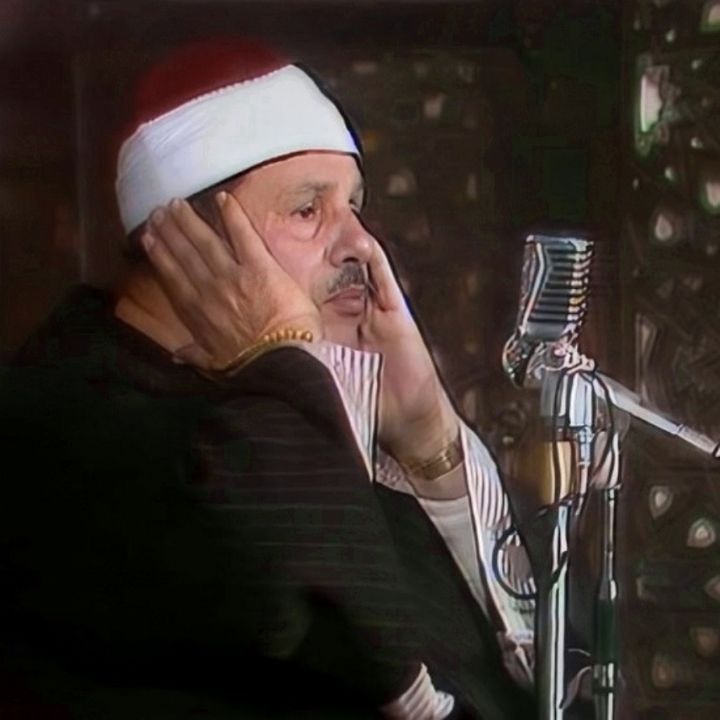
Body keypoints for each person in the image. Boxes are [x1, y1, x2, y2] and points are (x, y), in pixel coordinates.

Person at [0, 38, 566, 719]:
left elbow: (540, 677)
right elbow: (326, 628)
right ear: (189, 240)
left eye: (354, 206)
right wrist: (282, 356)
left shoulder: (291, 399)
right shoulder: (56, 425)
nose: (361, 243)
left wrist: (430, 443)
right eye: (307, 211)